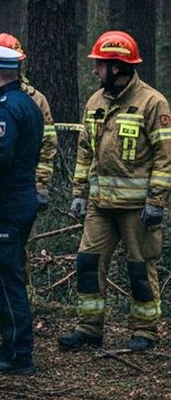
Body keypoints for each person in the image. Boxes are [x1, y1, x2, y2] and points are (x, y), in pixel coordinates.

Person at [61, 31, 171, 352]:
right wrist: (79, 193)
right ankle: (89, 327)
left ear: (117, 67)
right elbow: (85, 151)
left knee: (139, 268)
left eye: (100, 65)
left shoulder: (153, 103)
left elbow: (165, 157)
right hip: (99, 205)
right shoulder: (95, 102)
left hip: (138, 208)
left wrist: (157, 202)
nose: (95, 70)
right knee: (88, 264)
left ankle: (145, 331)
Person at [0, 33, 56, 334]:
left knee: (11, 262)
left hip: (8, 195)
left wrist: (41, 185)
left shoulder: (24, 101)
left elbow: (41, 148)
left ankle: (17, 333)